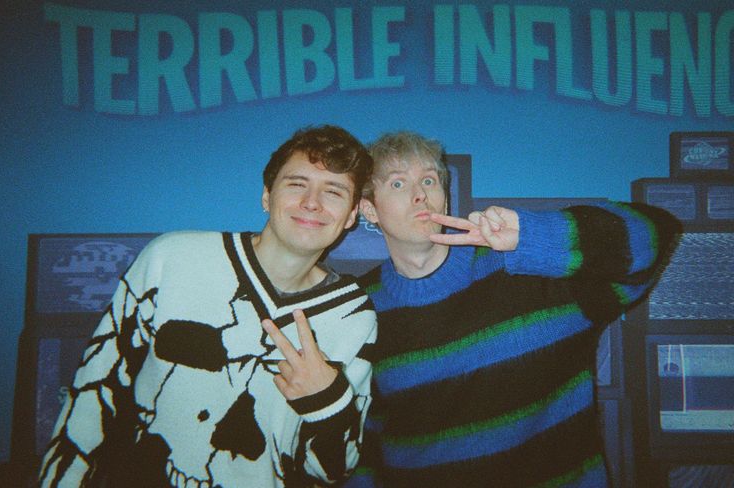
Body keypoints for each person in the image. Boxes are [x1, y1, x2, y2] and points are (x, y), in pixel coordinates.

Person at [38, 125, 378, 488]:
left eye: (334, 191)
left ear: (352, 215)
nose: (312, 202)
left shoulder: (353, 316)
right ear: (267, 196)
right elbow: (90, 400)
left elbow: (332, 471)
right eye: (297, 183)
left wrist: (329, 402)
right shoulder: (172, 260)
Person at [346, 131, 681, 487]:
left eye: (429, 179)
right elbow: (365, 442)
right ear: (370, 209)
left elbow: (657, 235)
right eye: (398, 183)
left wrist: (533, 236)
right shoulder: (358, 307)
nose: (420, 194)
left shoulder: (523, 266)